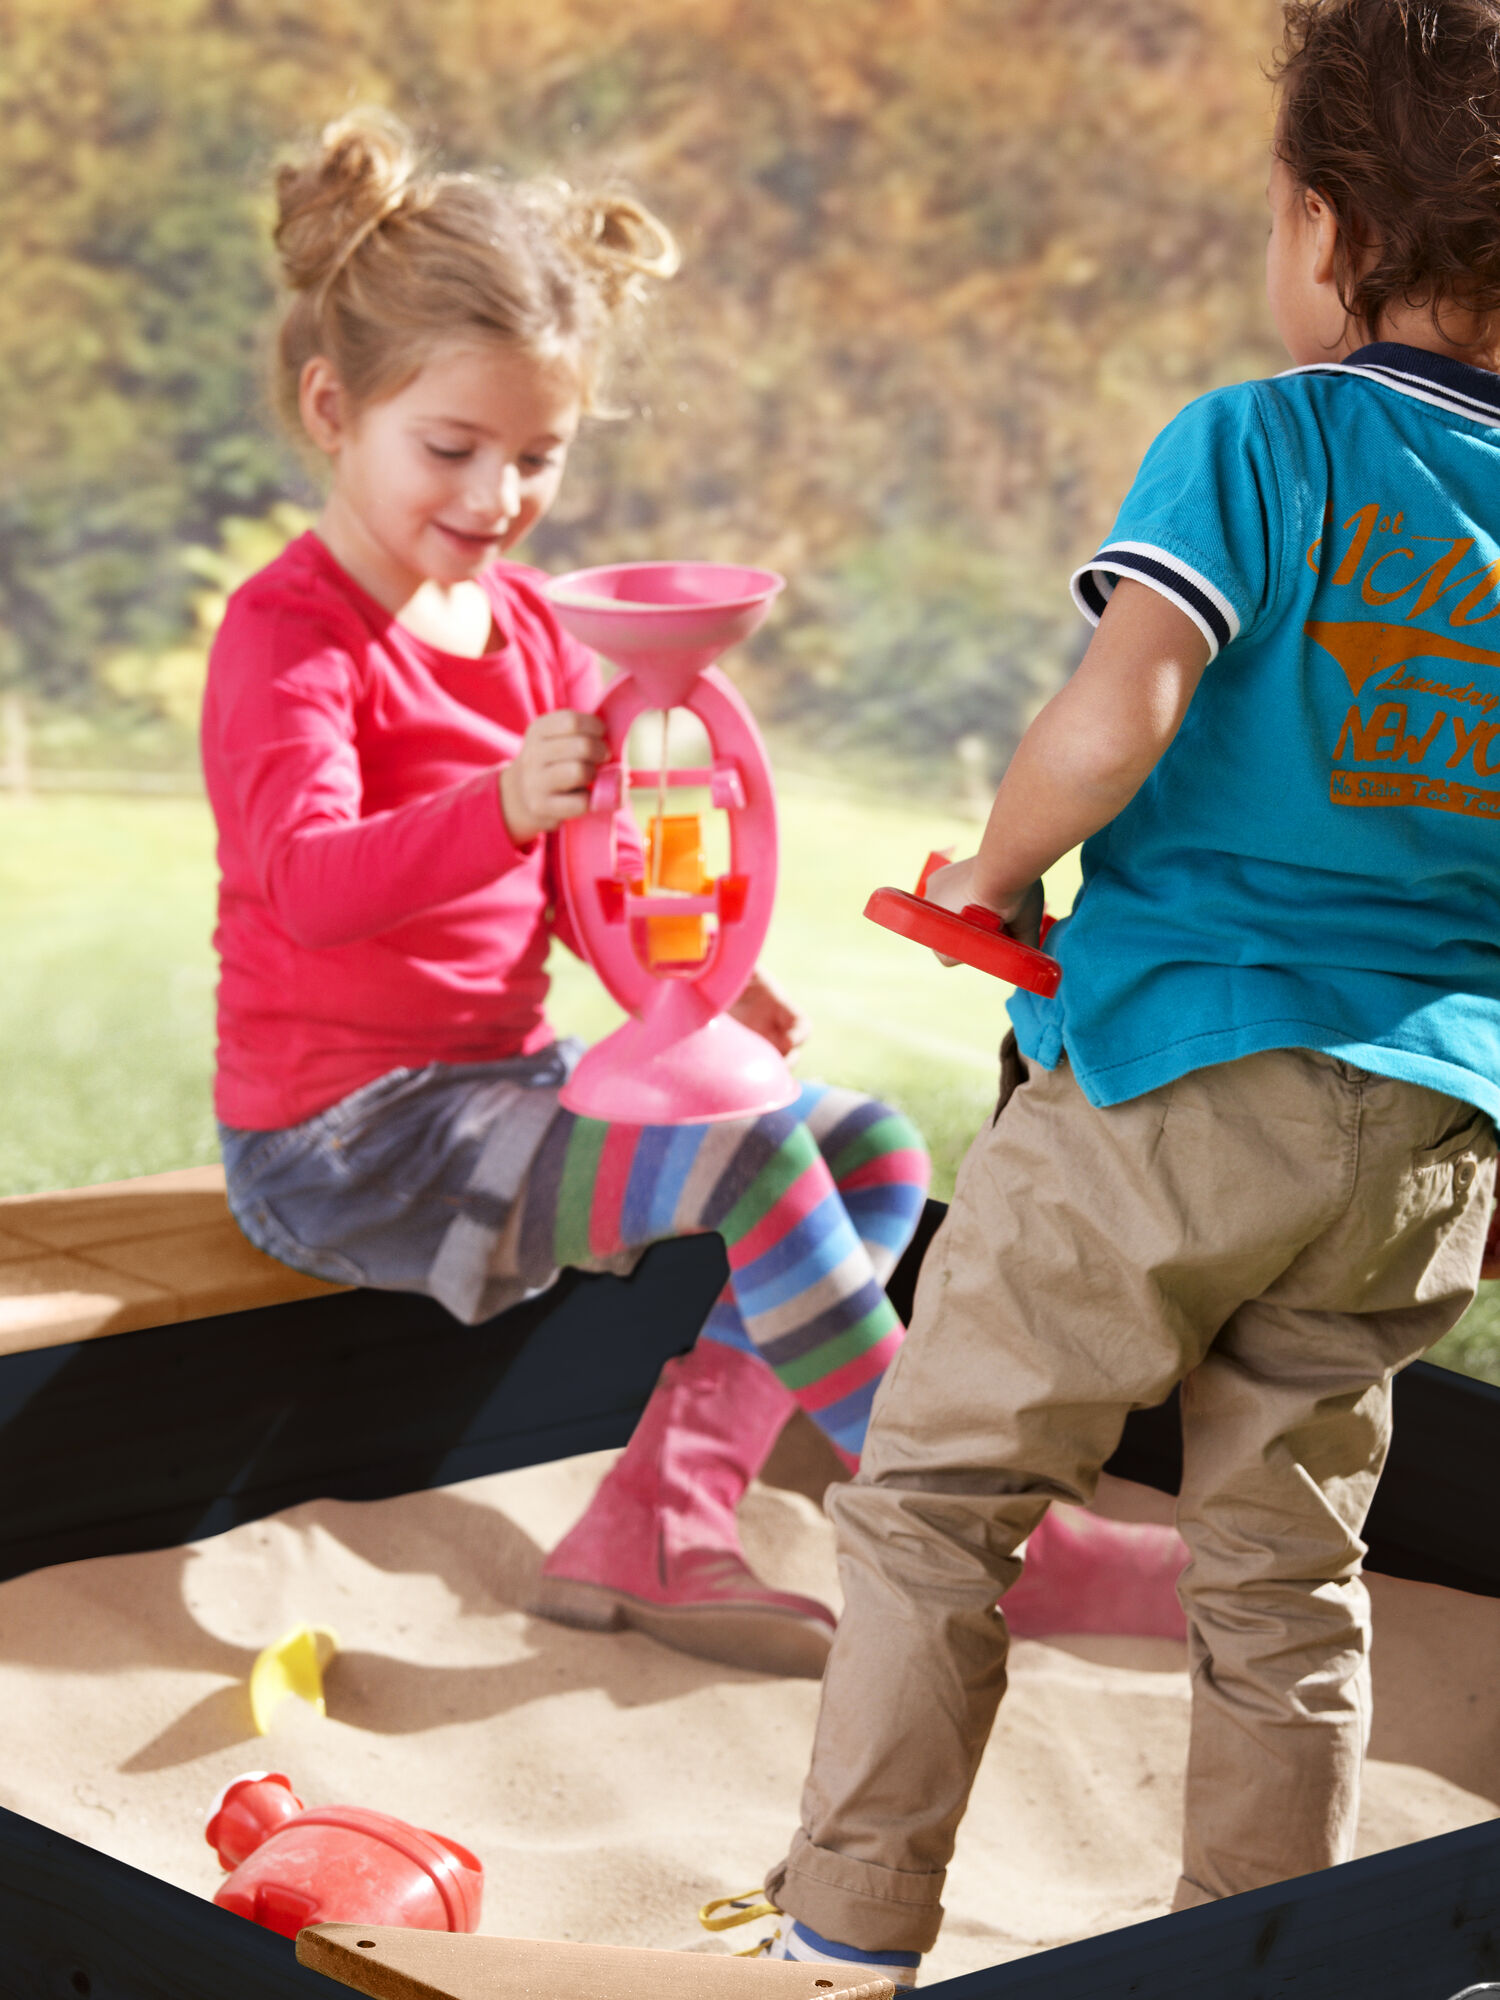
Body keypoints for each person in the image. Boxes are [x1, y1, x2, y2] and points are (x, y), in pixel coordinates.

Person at [752, 0, 1500, 1979]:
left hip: (1172, 1080)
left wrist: (990, 876)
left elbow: (1126, 703)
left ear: (1326, 231)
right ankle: (1262, 1956)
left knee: (937, 1502)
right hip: (1422, 1141)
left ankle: (845, 1927)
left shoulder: (1263, 441)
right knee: (1288, 1570)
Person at [202, 109, 931, 1679]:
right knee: (753, 1167)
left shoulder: (530, 626)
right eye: (451, 449)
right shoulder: (291, 637)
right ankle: (948, 1506)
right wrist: (492, 804)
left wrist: (689, 991)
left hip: (504, 1087)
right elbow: (311, 888)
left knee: (866, 1146)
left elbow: (588, 870)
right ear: (334, 409)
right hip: (346, 1137)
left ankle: (661, 1517)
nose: (497, 494)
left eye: (537, 455)